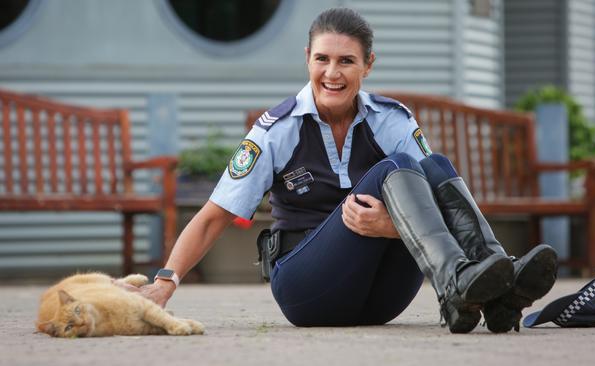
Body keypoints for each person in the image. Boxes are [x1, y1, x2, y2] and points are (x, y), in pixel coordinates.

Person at [132, 7, 558, 333]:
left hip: (381, 297)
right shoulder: (276, 130)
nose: (331, 74)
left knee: (435, 164)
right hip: (307, 289)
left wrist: (393, 228)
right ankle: (462, 286)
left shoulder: (390, 118)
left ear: (368, 64)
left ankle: (496, 281)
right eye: (322, 59)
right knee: (399, 166)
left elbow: (439, 196)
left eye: (346, 61)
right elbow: (214, 216)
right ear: (307, 59)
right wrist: (164, 283)